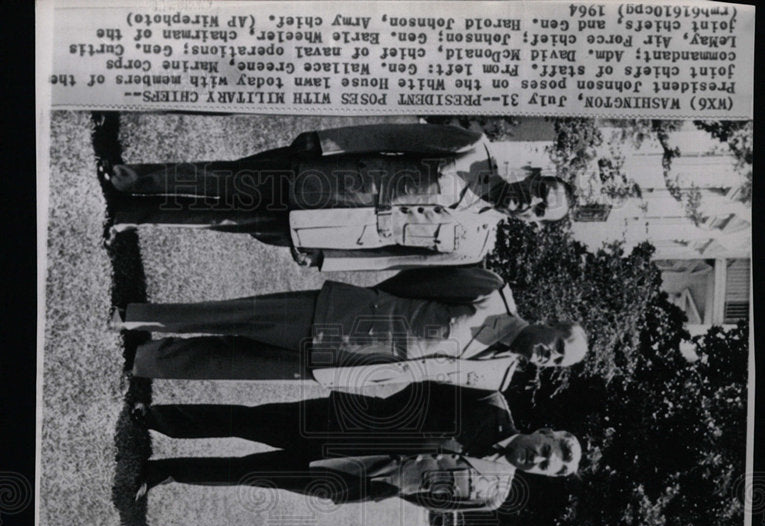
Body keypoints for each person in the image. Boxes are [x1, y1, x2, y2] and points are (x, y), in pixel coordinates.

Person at [98, 122, 573, 270]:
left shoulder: (476, 244)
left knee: (225, 220)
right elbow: (393, 135)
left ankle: (133, 216)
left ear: (532, 222)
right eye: (538, 191)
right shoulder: (474, 148)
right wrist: (328, 142)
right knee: (227, 180)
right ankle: (131, 177)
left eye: (537, 211)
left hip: (332, 228)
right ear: (534, 176)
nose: (528, 203)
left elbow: (395, 259)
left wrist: (330, 258)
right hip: (329, 178)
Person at [118, 267, 588, 392]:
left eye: (556, 361)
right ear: (550, 322)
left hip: (349, 367)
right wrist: (372, 307)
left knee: (238, 363)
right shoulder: (490, 292)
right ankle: (136, 316)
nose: (548, 356)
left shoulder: (498, 372)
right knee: (235, 316)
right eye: (557, 345)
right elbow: (412, 282)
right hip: (341, 317)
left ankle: (146, 359)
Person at [132, 383, 581, 511]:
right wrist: (383, 422)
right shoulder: (490, 402)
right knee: (250, 421)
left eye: (546, 466)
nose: (537, 459)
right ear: (544, 431)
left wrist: (393, 480)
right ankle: (156, 418)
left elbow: (431, 502)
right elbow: (425, 391)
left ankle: (163, 473)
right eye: (546, 449)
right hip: (348, 423)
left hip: (357, 478)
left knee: (253, 471)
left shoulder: (493, 495)